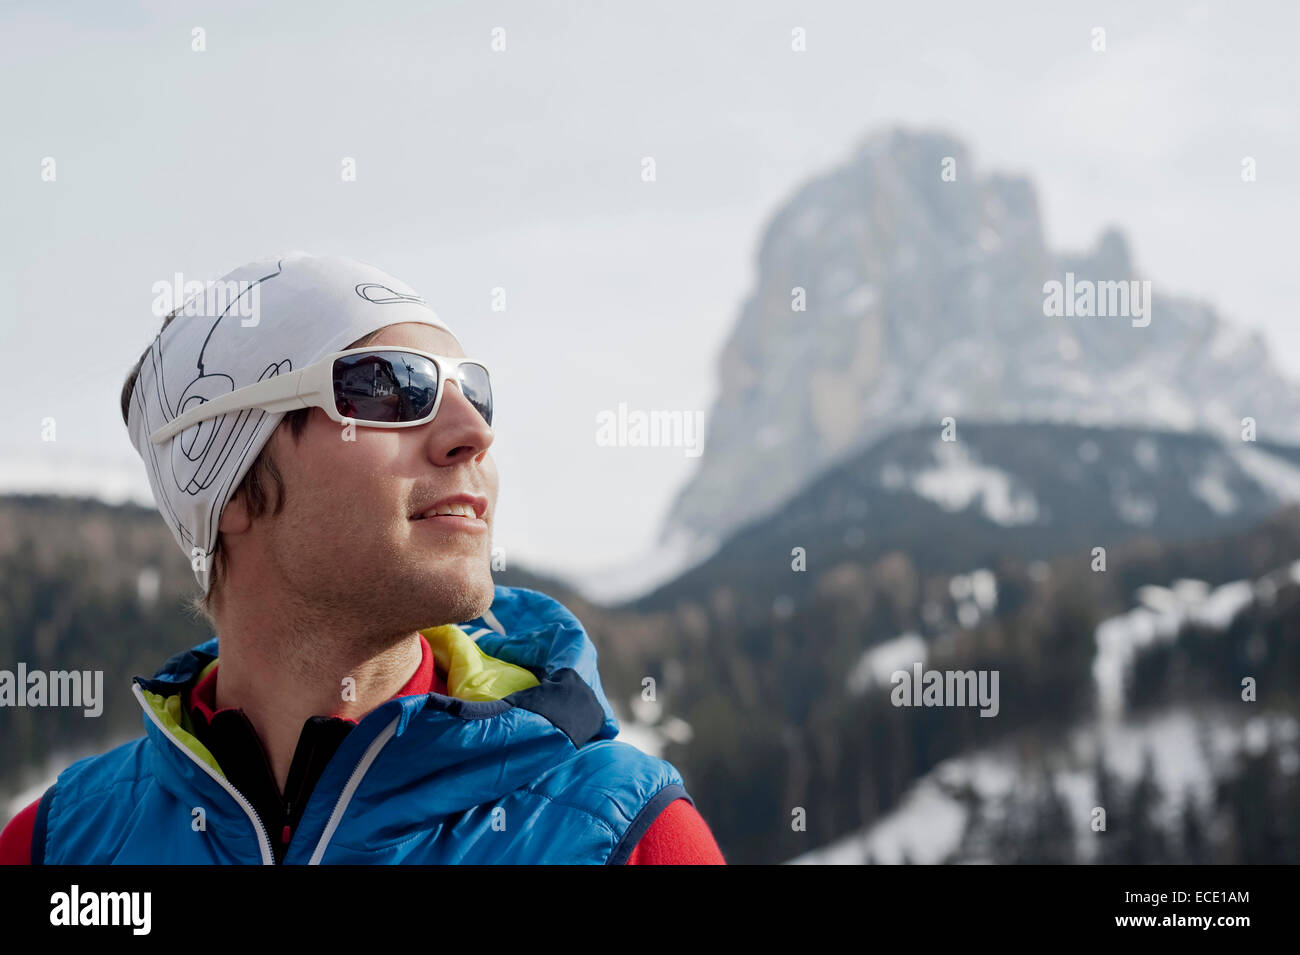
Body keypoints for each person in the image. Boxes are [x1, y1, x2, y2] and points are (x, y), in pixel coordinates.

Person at [0, 252, 724, 865]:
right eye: (389, 386)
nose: (472, 432)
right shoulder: (56, 846)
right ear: (229, 489)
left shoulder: (627, 836)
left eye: (473, 392)